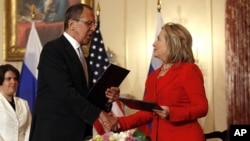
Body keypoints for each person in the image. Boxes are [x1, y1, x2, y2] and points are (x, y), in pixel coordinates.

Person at [29, 4, 119, 141]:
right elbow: (66, 92)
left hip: (79, 133)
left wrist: (107, 99)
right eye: (89, 23)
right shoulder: (53, 50)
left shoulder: (82, 55)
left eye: (94, 24)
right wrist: (99, 114)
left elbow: (85, 96)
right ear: (72, 24)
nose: (94, 28)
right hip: (55, 134)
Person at [113, 22, 208, 141]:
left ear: (172, 43)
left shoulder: (188, 70)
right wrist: (119, 123)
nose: (154, 43)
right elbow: (147, 113)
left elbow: (201, 107)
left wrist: (171, 112)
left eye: (158, 39)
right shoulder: (153, 76)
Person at [0, 64, 32, 141]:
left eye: (15, 79)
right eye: (9, 79)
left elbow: (29, 128)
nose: (13, 82)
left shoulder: (23, 103)